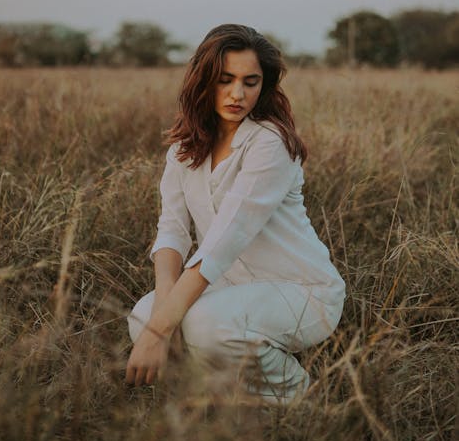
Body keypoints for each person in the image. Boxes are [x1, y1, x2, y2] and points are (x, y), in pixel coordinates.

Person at [126, 24, 345, 404]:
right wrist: (159, 317)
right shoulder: (183, 149)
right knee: (143, 316)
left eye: (250, 82)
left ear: (265, 86)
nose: (237, 94)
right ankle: (217, 398)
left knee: (204, 325)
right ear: (204, 81)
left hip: (302, 291)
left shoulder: (269, 143)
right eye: (225, 80)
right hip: (230, 286)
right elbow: (172, 231)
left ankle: (300, 401)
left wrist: (163, 331)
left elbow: (225, 241)